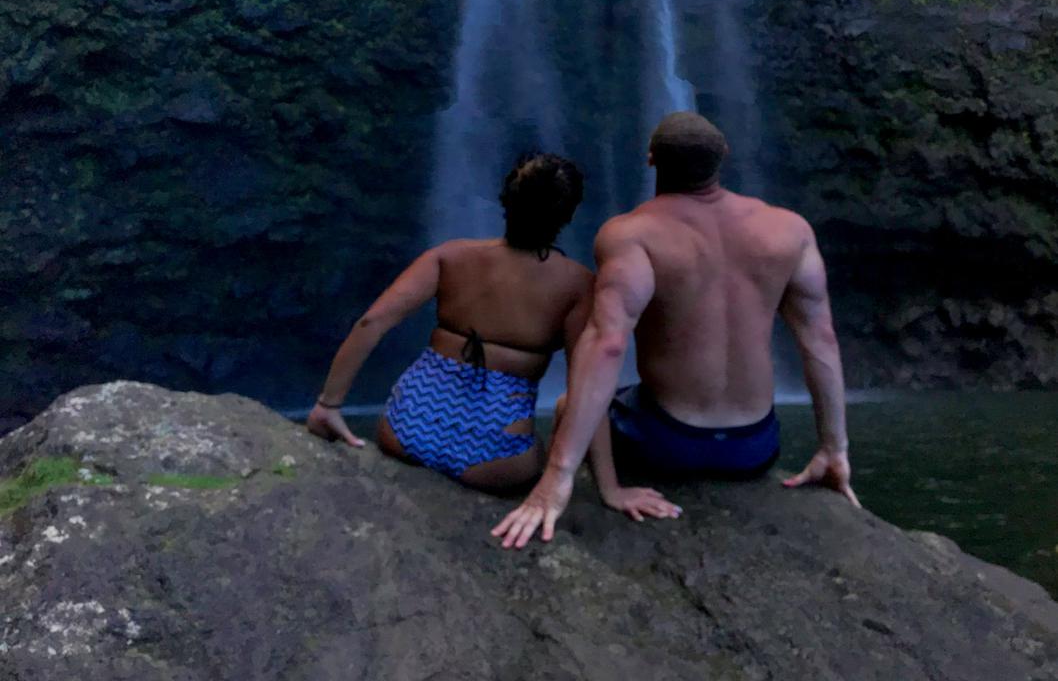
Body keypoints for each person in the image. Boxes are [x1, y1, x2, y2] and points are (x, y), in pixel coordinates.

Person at [493, 111, 859, 548]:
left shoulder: (632, 234)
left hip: (666, 443)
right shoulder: (789, 229)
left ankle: (590, 486)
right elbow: (821, 340)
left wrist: (557, 475)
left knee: (573, 398)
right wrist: (834, 448)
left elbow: (608, 345)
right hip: (754, 448)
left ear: (651, 160)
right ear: (723, 156)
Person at [307, 150, 680, 519]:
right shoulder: (578, 285)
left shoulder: (449, 256)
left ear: (505, 200)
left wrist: (329, 404)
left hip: (405, 433)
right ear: (568, 215)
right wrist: (610, 489)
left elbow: (372, 323)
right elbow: (587, 384)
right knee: (566, 406)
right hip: (496, 461)